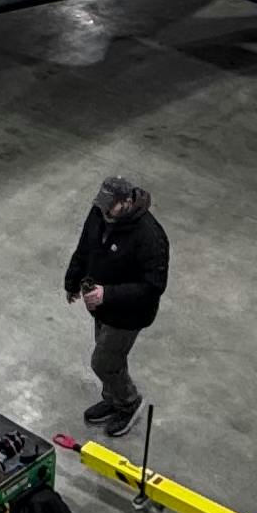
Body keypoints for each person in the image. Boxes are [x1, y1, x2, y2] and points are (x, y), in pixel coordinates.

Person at [62, 177, 168, 436]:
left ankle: (129, 403)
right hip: (101, 306)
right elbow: (85, 247)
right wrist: (72, 281)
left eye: (111, 206)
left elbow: (153, 286)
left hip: (128, 314)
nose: (105, 211)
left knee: (103, 362)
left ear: (127, 202)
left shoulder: (150, 236)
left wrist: (107, 294)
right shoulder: (100, 212)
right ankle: (113, 399)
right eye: (103, 205)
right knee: (111, 358)